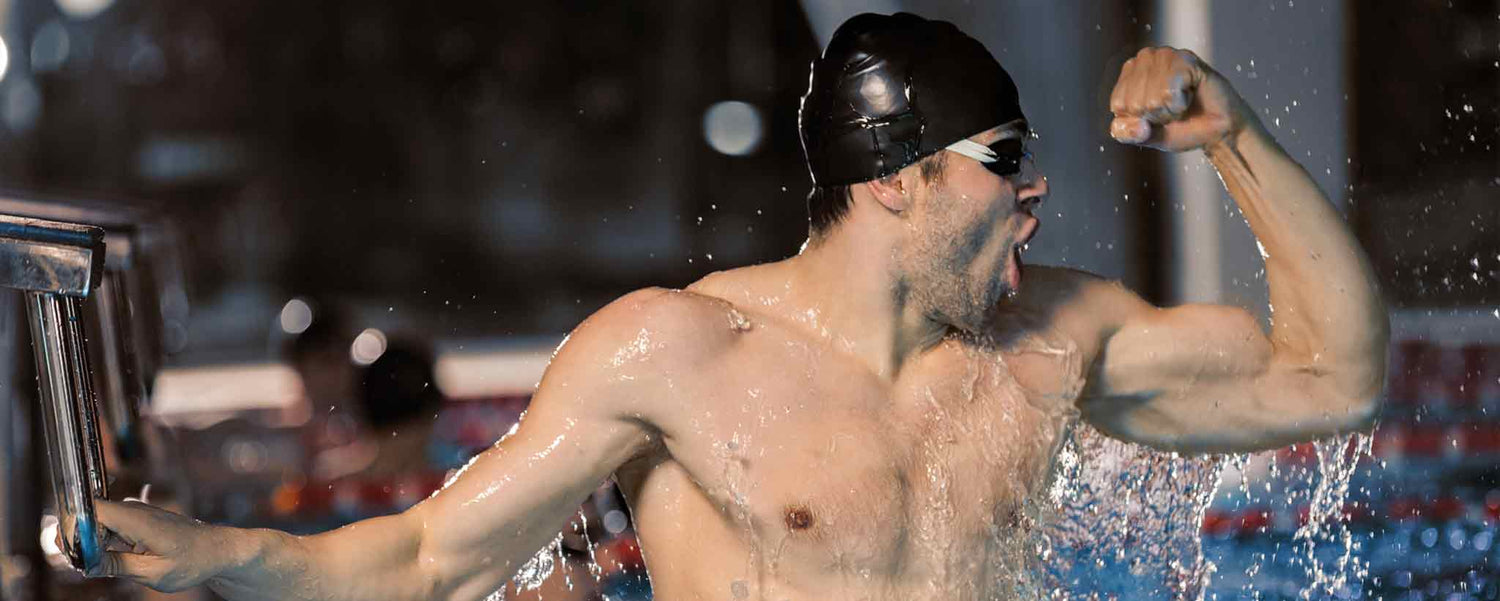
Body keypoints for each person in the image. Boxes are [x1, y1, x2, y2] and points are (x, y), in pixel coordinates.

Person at [91, 12, 1388, 601]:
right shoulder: (675, 348)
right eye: (1005, 163)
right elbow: (436, 553)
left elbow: (1332, 376)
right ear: (902, 182)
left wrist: (1237, 139)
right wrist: (231, 555)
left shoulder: (1057, 337)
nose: (1035, 194)